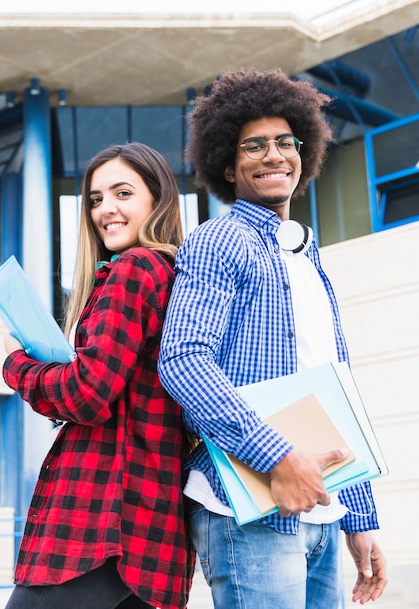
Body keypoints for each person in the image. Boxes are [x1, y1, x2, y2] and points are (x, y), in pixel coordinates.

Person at [158, 69, 387, 608]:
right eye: (253, 146)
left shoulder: (308, 257)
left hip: (323, 508)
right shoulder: (219, 240)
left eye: (286, 142)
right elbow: (183, 361)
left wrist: (360, 516)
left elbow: (336, 395)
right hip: (249, 509)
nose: (273, 156)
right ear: (227, 163)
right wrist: (278, 456)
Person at [2, 142, 195, 609]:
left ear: (158, 199)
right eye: (95, 199)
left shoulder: (134, 269)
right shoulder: (174, 276)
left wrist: (17, 363)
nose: (106, 209)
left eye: (123, 193)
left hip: (99, 528)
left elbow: (87, 394)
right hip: (152, 539)